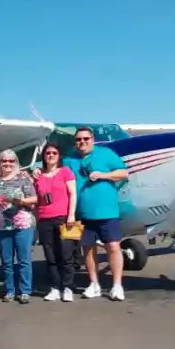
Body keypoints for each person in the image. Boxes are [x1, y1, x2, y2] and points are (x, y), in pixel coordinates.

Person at [63, 127, 129, 300]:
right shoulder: (70, 159)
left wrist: (103, 175)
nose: (82, 142)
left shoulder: (106, 153)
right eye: (78, 139)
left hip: (108, 211)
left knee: (114, 247)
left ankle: (117, 285)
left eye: (86, 138)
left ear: (92, 139)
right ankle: (94, 284)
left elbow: (124, 172)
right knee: (88, 249)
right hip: (83, 213)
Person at [0, 149, 37, 303]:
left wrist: (21, 201)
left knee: (24, 259)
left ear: (15, 163)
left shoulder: (23, 178)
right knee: (6, 260)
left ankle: (25, 291)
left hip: (22, 223)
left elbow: (34, 198)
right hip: (3, 224)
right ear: (0, 162)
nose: (7, 164)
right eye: (4, 161)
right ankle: (10, 290)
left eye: (11, 161)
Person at [33, 142, 78, 302]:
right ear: (43, 156)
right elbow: (35, 198)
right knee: (50, 255)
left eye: (54, 153)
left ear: (59, 156)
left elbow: (73, 194)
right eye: (48, 153)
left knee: (66, 255)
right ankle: (54, 287)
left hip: (65, 218)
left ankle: (67, 287)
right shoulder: (38, 176)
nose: (51, 155)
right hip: (44, 219)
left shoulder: (65, 172)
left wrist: (71, 215)